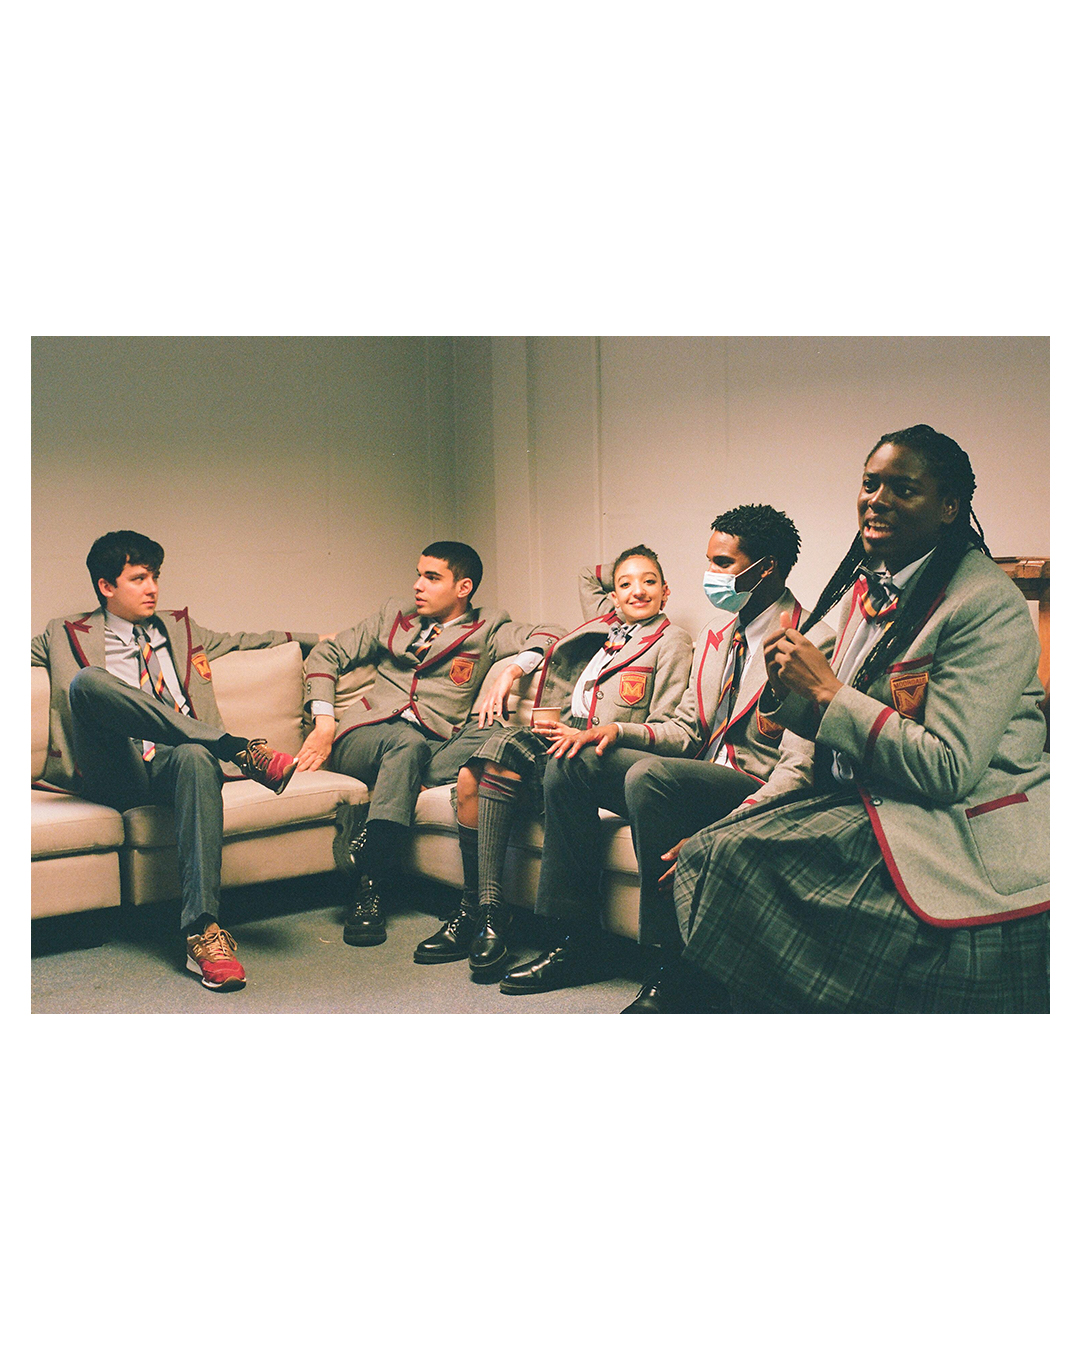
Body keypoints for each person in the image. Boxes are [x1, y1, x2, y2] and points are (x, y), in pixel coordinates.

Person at [673, 425, 1050, 1013]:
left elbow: (948, 769)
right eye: (870, 484)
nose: (878, 500)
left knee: (734, 862)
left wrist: (826, 692)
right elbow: (815, 731)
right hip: (870, 795)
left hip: (948, 815)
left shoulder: (984, 602)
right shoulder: (864, 588)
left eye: (904, 489)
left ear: (949, 507)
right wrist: (783, 702)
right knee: (709, 849)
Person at [498, 507, 833, 1004]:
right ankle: (575, 941)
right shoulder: (716, 635)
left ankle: (672, 966)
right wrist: (615, 730)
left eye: (722, 563)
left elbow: (798, 769)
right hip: (695, 773)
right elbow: (685, 729)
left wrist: (724, 827)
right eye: (709, 561)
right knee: (571, 759)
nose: (710, 574)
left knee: (650, 778)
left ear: (765, 569)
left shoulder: (815, 639)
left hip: (754, 787)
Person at [31, 530, 322, 991]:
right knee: (88, 681)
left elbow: (251, 640)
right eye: (138, 578)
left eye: (155, 577)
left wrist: (323, 639)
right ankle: (235, 747)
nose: (152, 588)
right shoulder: (64, 633)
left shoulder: (180, 628)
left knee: (193, 755)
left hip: (180, 764)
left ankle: (203, 932)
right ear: (106, 586)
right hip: (117, 765)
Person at [413, 546, 694, 975]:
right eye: (625, 584)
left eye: (649, 582)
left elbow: (666, 726)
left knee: (497, 757)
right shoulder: (610, 628)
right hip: (563, 739)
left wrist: (600, 732)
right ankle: (481, 910)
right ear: (613, 597)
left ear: (666, 591)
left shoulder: (671, 641)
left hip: (603, 754)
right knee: (471, 775)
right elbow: (588, 574)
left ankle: (485, 915)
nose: (638, 591)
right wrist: (629, 571)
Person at [298, 542, 562, 946]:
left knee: (496, 735)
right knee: (405, 744)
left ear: (463, 588)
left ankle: (370, 823)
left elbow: (553, 633)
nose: (418, 585)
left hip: (435, 744)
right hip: (367, 736)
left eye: (432, 577)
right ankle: (371, 885)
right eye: (419, 575)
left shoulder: (489, 626)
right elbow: (327, 653)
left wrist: (511, 671)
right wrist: (324, 722)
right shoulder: (393, 615)